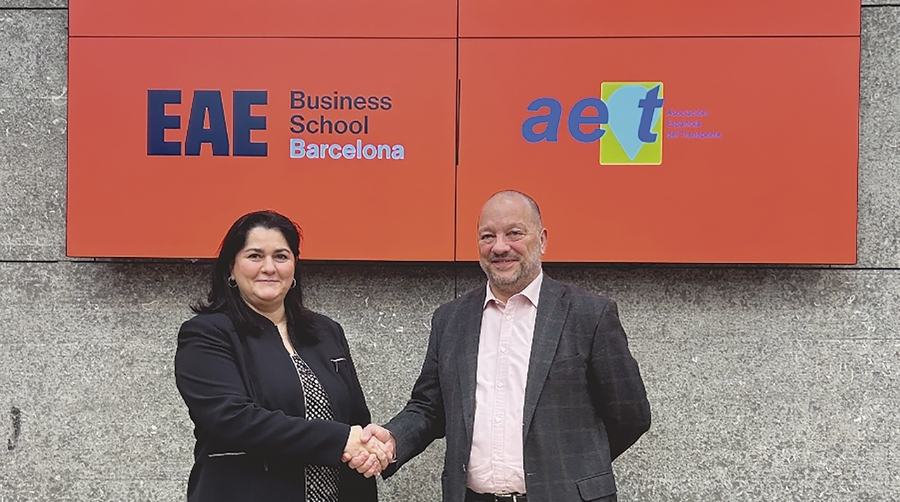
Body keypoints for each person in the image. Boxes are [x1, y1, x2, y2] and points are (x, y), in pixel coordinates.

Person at [347, 190, 651, 501]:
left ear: (542, 240)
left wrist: (579, 469)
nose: (500, 247)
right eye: (488, 236)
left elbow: (631, 416)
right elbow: (429, 407)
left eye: (514, 233)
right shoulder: (451, 319)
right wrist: (393, 440)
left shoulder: (589, 315)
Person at [175, 210, 389, 502]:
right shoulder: (206, 334)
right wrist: (340, 440)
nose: (269, 268)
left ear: (294, 266)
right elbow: (233, 419)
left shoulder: (326, 332)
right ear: (230, 268)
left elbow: (357, 421)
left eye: (281, 256)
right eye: (254, 256)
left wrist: (368, 448)